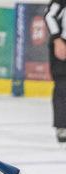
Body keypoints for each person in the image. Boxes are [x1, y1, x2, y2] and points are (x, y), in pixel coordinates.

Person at [45, 2, 66, 144]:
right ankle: (62, 127)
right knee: (62, 86)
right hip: (62, 44)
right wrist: (57, 39)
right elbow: (49, 15)